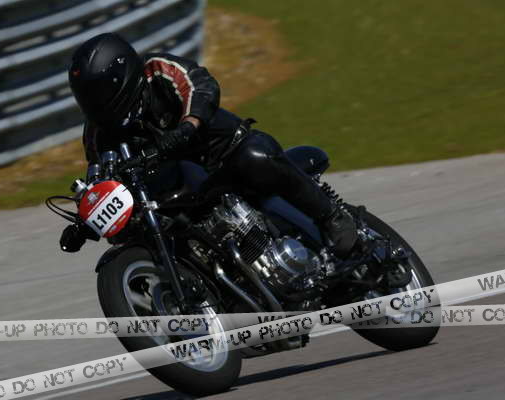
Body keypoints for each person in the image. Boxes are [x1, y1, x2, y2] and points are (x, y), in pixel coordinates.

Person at [59, 32, 357, 255]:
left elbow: (200, 85)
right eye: (87, 96)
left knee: (256, 156)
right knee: (143, 233)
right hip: (180, 190)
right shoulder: (98, 133)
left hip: (224, 152)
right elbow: (100, 177)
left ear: (122, 79)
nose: (94, 103)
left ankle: (330, 216)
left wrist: (188, 125)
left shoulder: (157, 70)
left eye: (99, 94)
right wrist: (85, 224)